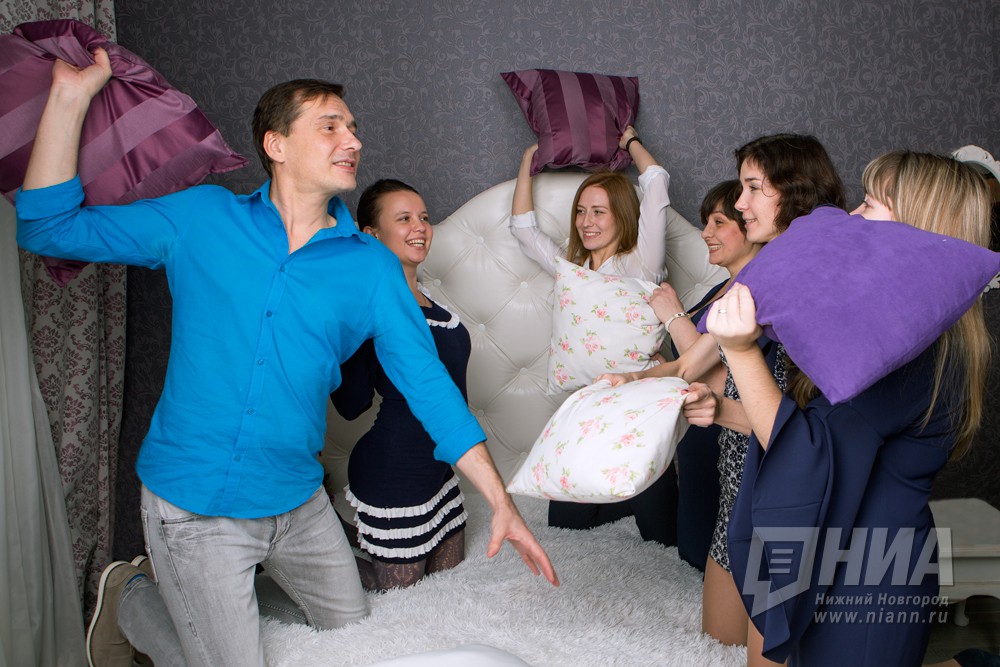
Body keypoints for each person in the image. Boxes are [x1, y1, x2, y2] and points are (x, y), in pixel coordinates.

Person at [16, 49, 557, 667]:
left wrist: (501, 502)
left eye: (353, 127)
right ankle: (132, 595)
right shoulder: (201, 218)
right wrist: (70, 99)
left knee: (358, 643)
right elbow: (46, 229)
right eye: (330, 126)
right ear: (276, 144)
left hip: (299, 503)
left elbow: (429, 385)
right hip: (193, 504)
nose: (352, 139)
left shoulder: (372, 269)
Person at [695, 150, 992, 666]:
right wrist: (722, 409)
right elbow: (820, 432)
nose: (850, 216)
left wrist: (741, 354)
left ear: (917, 224)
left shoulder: (917, 349)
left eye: (870, 204)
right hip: (846, 555)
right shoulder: (900, 330)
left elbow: (808, 455)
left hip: (867, 576)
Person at [598, 133, 846, 650]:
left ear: (793, 190)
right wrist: (631, 382)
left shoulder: (815, 280)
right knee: (716, 643)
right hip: (737, 477)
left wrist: (710, 399)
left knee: (777, 654)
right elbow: (694, 361)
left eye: (753, 188)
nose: (741, 202)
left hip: (784, 492)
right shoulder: (757, 277)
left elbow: (803, 426)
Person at [511, 129, 684, 545]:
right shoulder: (570, 267)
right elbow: (522, 229)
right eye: (581, 212)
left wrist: (631, 143)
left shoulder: (641, 262)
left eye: (599, 212)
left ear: (621, 215)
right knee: (568, 527)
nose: (587, 222)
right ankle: (620, 499)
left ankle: (648, 496)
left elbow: (656, 184)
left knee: (662, 537)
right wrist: (527, 160)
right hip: (589, 406)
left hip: (636, 406)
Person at [330, 179, 471, 591]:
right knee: (396, 589)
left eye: (424, 218)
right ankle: (306, 552)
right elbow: (351, 403)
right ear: (372, 234)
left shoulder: (426, 298)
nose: (420, 227)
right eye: (404, 219)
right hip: (393, 472)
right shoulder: (368, 309)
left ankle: (342, 533)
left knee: (446, 579)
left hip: (438, 471)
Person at [651, 180, 762, 571]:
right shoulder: (722, 287)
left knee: (712, 558)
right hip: (699, 432)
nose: (705, 233)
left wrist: (674, 316)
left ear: (750, 225)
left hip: (729, 435)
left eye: (719, 222)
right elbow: (694, 359)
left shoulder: (752, 291)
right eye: (706, 222)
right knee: (693, 552)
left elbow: (721, 373)